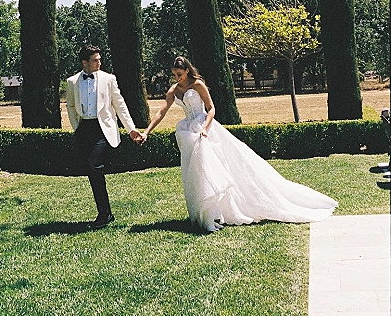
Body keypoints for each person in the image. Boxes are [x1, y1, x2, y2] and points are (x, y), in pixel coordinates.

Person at [141, 55, 338, 232]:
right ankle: (204, 213)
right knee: (194, 173)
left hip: (204, 129)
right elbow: (161, 112)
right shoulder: (173, 91)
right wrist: (147, 131)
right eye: (175, 75)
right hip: (187, 133)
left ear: (187, 71)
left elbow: (211, 108)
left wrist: (205, 128)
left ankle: (214, 214)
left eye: (180, 74)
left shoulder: (198, 84)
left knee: (213, 169)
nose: (178, 78)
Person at [66, 44, 145, 229]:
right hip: (84, 128)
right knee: (92, 170)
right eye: (95, 60)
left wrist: (131, 129)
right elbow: (70, 106)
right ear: (84, 62)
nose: (99, 62)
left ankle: (104, 214)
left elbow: (120, 105)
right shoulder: (72, 82)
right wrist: (77, 126)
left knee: (94, 166)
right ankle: (105, 212)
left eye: (100, 59)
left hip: (104, 129)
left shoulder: (109, 79)